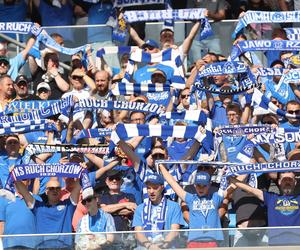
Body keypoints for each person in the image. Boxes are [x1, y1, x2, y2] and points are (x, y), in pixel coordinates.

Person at [159, 164, 228, 248]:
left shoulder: (215, 197)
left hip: (212, 241)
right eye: (198, 185)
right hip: (193, 242)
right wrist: (161, 167)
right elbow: (172, 183)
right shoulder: (191, 198)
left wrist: (233, 175)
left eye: (204, 185)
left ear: (209, 185)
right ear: (194, 185)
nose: (201, 188)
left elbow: (232, 187)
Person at [230, 171, 300, 246]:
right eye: (284, 180)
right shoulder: (271, 198)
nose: (287, 182)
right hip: (276, 244)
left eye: (290, 180)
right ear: (279, 182)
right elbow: (250, 189)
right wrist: (230, 178)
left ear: (295, 182)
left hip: (297, 243)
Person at [15, 177, 81, 249]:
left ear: (61, 190)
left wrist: (81, 173)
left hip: (64, 247)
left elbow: (78, 187)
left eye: (57, 188)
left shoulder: (68, 206)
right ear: (46, 191)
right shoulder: (38, 207)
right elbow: (24, 192)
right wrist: (15, 176)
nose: (55, 190)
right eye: (51, 188)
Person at [132, 173, 183, 249]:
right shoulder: (140, 208)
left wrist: (162, 247)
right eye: (148, 188)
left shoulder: (174, 206)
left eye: (155, 188)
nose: (151, 191)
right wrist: (150, 246)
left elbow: (174, 231)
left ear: (162, 188)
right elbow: (138, 232)